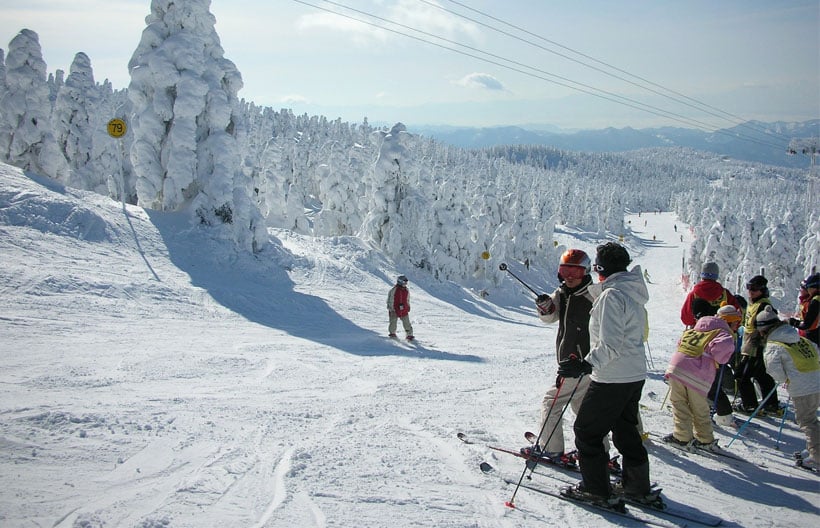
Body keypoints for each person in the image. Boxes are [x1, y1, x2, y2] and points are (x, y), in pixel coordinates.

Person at [559, 242, 656, 509]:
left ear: (600, 268)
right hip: (632, 373)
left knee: (587, 431)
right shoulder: (630, 291)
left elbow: (611, 344)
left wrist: (585, 365)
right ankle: (636, 486)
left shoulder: (612, 295)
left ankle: (596, 490)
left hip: (613, 376)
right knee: (625, 430)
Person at [523, 249, 605, 463]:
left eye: (575, 272)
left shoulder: (593, 296)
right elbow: (550, 317)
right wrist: (545, 307)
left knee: (552, 403)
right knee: (584, 409)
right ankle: (598, 452)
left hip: (580, 364)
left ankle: (551, 449)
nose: (569, 276)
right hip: (577, 364)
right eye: (564, 270)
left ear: (585, 272)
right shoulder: (562, 293)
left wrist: (586, 361)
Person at [663, 299, 735, 449]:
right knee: (699, 407)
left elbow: (680, 343)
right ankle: (705, 439)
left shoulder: (694, 330)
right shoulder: (721, 332)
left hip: (676, 367)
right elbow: (723, 350)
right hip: (698, 374)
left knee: (679, 403)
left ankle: (682, 437)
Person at [758, 305, 820, 470]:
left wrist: (784, 379)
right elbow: (816, 351)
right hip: (816, 381)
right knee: (812, 418)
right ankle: (814, 448)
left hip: (802, 387)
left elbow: (772, 368)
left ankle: (817, 457)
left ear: (763, 330)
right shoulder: (799, 338)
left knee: (807, 421)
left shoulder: (773, 344)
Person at [735, 275, 780, 414]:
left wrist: (761, 341)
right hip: (749, 344)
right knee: (761, 374)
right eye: (749, 288)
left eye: (754, 289)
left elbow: (772, 324)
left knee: (741, 375)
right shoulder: (754, 303)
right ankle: (771, 404)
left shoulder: (764, 305)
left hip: (755, 347)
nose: (751, 291)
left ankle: (750, 405)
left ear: (762, 290)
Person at [708, 303, 744, 427]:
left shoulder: (722, 328)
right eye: (735, 322)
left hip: (714, 365)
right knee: (712, 389)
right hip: (711, 365)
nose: (737, 326)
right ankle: (721, 414)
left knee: (713, 389)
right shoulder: (722, 332)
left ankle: (721, 414)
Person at [680, 262, 742, 328]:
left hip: (699, 332)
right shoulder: (725, 294)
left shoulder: (694, 294)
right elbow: (737, 316)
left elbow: (686, 318)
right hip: (721, 333)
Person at [790, 273, 820, 346]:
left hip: (814, 338)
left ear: (813, 287)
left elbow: (807, 325)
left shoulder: (816, 300)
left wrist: (792, 322)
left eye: (808, 287)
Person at [387, 275, 414, 340]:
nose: (406, 284)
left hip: (403, 309)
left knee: (406, 322)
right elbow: (390, 299)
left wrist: (408, 306)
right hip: (394, 309)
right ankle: (392, 333)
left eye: (406, 283)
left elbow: (407, 299)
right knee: (393, 322)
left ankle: (409, 335)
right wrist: (391, 308)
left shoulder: (406, 290)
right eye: (404, 282)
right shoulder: (394, 290)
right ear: (400, 282)